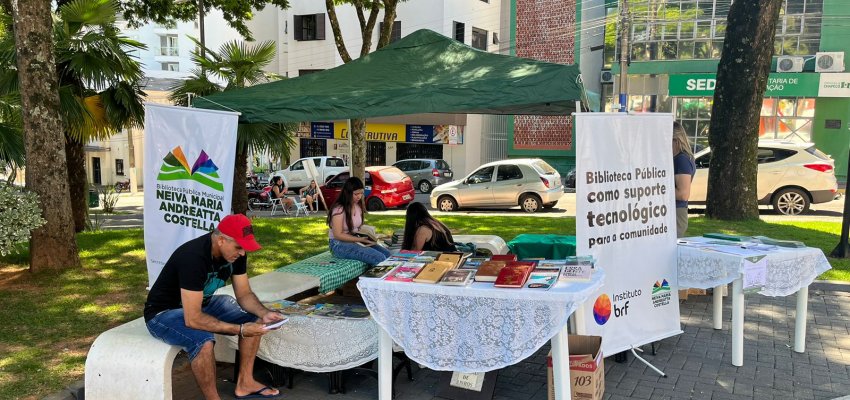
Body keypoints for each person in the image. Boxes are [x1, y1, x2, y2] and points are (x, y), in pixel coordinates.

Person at [144, 214, 284, 400]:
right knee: (203, 341)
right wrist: (240, 329)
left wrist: (265, 313)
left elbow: (244, 294)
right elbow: (192, 319)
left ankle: (245, 383)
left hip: (202, 304)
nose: (242, 253)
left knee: (256, 320)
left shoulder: (236, 254)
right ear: (221, 240)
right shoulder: (193, 257)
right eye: (238, 247)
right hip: (163, 314)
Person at [327, 177, 391, 265]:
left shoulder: (357, 206)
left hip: (355, 240)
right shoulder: (339, 209)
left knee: (388, 255)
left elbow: (358, 227)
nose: (359, 197)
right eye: (356, 194)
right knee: (379, 258)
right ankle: (376, 278)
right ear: (347, 193)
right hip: (338, 245)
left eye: (361, 193)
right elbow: (337, 235)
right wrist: (359, 239)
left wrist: (371, 236)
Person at [673, 121, 696, 238]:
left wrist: (656, 192)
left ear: (676, 140)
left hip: (677, 212)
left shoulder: (681, 160)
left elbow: (683, 194)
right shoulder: (681, 158)